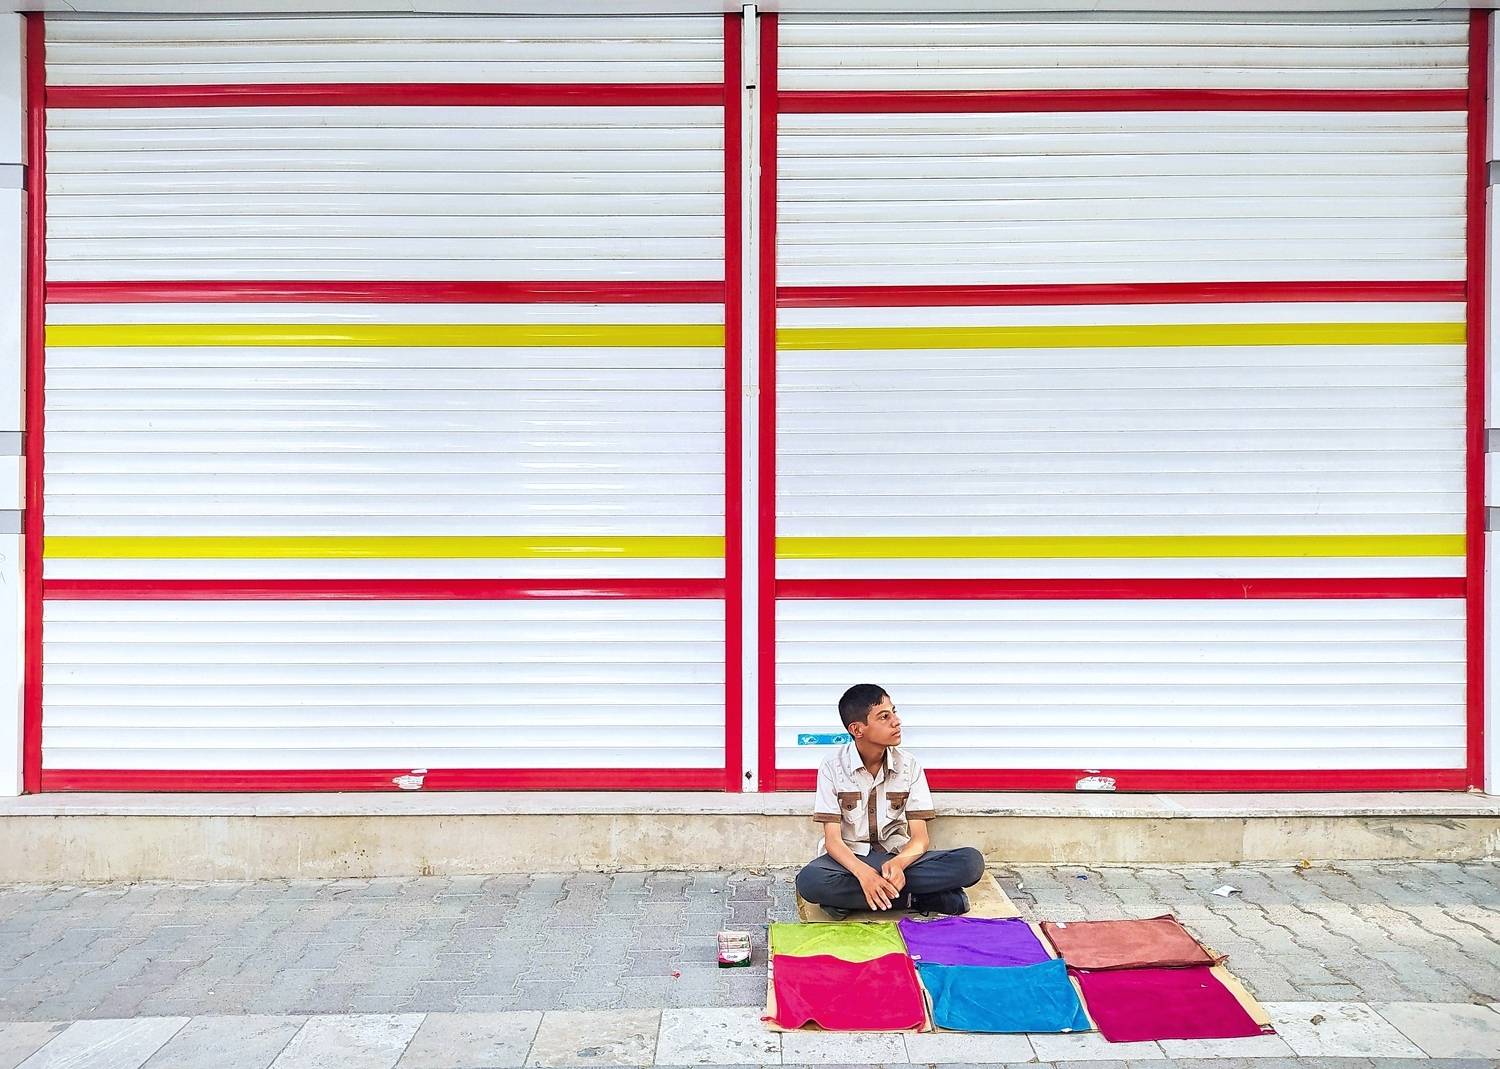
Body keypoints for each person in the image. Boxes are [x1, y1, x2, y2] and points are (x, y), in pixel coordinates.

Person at [794, 683, 986, 919]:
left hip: (897, 856)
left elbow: (920, 839)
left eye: (894, 712)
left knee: (970, 863)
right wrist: (863, 873)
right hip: (849, 862)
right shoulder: (832, 766)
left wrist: (899, 864)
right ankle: (919, 898)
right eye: (884, 717)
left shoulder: (909, 765)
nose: (896, 721)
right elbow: (833, 841)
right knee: (810, 881)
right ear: (857, 729)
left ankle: (851, 901)